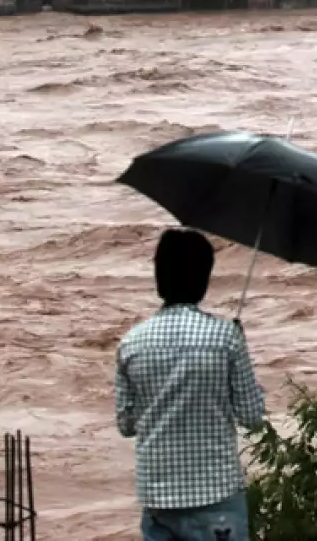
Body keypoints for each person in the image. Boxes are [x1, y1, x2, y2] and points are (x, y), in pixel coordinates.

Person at [116, 228, 266, 541]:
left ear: (159, 277)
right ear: (204, 280)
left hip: (158, 497)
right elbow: (251, 416)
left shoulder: (131, 343)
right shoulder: (226, 338)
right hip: (216, 495)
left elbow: (127, 424)